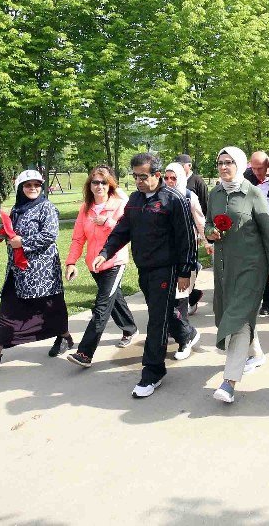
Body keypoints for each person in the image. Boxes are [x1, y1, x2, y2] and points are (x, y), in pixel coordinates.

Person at [94, 153, 199, 398]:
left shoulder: (173, 199)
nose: (139, 181)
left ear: (157, 175)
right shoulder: (134, 200)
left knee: (156, 321)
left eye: (144, 176)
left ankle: (152, 372)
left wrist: (185, 271)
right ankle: (187, 333)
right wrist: (106, 251)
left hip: (168, 268)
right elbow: (123, 229)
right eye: (135, 176)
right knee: (162, 313)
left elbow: (186, 238)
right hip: (145, 268)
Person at [0, 170, 72, 372]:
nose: (33, 189)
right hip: (17, 271)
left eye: (37, 185)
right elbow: (15, 234)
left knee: (51, 308)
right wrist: (6, 234)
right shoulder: (18, 208)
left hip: (42, 272)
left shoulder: (46, 207)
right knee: (7, 309)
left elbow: (50, 235)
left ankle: (65, 336)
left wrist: (22, 243)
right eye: (28, 185)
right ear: (21, 188)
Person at [205, 147, 269, 403]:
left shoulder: (252, 193)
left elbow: (268, 233)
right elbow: (208, 223)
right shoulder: (214, 194)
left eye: (229, 162)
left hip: (252, 266)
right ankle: (256, 353)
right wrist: (209, 233)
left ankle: (229, 382)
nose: (224, 167)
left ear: (239, 164)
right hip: (225, 267)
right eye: (220, 163)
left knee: (237, 318)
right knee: (229, 312)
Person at [64, 168, 137, 368]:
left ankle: (85, 353)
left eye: (103, 183)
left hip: (114, 262)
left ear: (110, 185)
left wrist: (108, 221)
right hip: (94, 264)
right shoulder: (85, 209)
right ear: (90, 185)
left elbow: (128, 231)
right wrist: (71, 262)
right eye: (95, 182)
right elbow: (78, 238)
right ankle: (130, 328)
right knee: (114, 298)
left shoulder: (119, 205)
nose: (99, 186)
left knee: (102, 306)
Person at [164, 162, 207, 322]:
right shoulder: (161, 196)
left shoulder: (189, 196)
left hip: (187, 246)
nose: (169, 181)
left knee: (182, 288)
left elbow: (200, 222)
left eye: (173, 178)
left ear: (180, 178)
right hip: (166, 248)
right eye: (166, 177)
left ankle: (182, 329)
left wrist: (208, 243)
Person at [245, 151, 269, 315]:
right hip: (256, 228)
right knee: (259, 266)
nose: (256, 172)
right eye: (253, 168)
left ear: (268, 165)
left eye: (259, 168)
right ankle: (266, 300)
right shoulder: (248, 179)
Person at [175, 154, 209, 314]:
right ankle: (190, 296)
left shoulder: (197, 181)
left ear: (189, 166)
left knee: (188, 267)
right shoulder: (169, 185)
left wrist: (205, 235)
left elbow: (204, 204)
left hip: (192, 233)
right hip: (173, 237)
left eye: (182, 165)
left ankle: (188, 299)